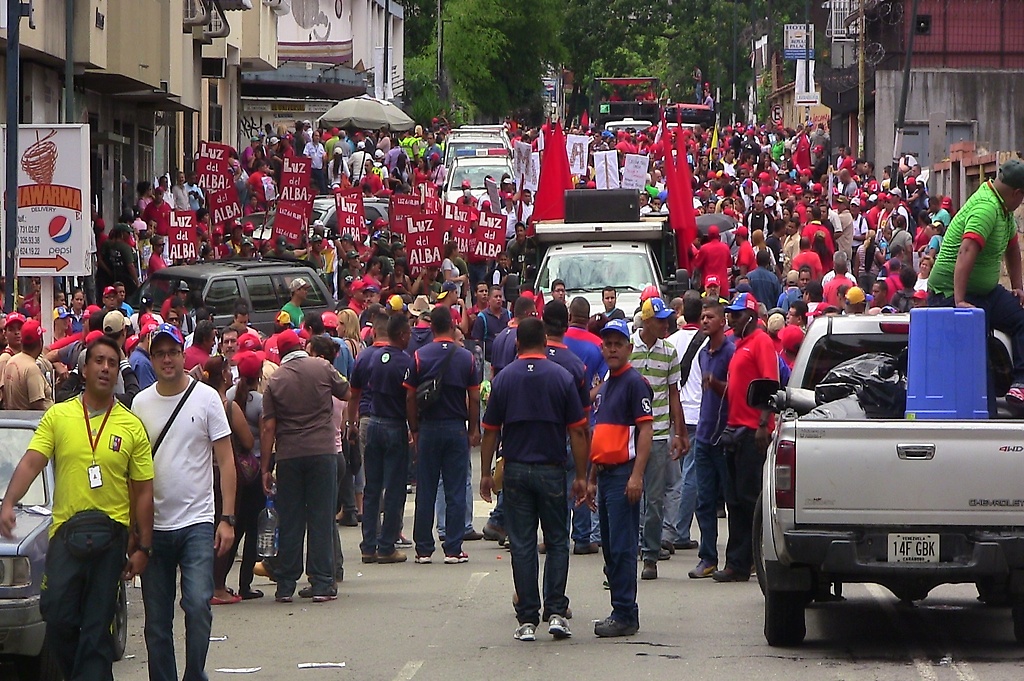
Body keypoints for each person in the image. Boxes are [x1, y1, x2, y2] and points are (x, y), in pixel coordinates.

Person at [0, 335, 154, 681]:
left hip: (111, 537)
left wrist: (143, 545)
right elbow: (32, 461)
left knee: (98, 627)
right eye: (99, 361)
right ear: (84, 369)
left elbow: (144, 491)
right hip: (65, 535)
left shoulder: (131, 425)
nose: (105, 368)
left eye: (112, 363)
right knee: (57, 615)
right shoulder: (58, 416)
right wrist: (8, 502)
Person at [132, 323, 236, 681]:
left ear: (183, 355)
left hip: (197, 522)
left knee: (197, 603)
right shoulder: (140, 403)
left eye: (173, 352)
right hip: (154, 526)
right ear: (152, 359)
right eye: (160, 354)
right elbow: (133, 469)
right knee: (157, 621)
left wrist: (227, 518)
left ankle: (194, 673)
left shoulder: (206, 399)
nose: (167, 360)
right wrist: (134, 528)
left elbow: (226, 461)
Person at [479, 317, 588, 642]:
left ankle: (527, 618)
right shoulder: (562, 377)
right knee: (557, 541)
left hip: (516, 470)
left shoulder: (504, 379)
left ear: (517, 344)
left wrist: (485, 473)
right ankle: (555, 612)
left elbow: (490, 431)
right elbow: (578, 430)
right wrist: (582, 475)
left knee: (522, 544)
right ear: (544, 341)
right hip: (552, 469)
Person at [261, 328, 350, 602]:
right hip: (322, 452)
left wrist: (265, 467)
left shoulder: (275, 380)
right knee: (321, 518)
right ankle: (322, 582)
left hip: (289, 455)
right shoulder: (322, 367)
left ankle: (285, 584)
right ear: (301, 346)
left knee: (291, 520)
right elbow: (346, 391)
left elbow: (268, 427)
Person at [927, 159, 1024, 403]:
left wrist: (1017, 287)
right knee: (976, 353)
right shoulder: (986, 208)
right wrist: (959, 300)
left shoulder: (1004, 210)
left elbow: (1013, 250)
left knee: (1021, 318)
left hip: (986, 292)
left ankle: (1020, 384)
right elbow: (966, 251)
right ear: (1016, 193)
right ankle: (983, 410)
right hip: (950, 291)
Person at [588, 318, 654, 637]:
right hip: (604, 475)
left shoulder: (634, 383)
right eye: (608, 344)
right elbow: (599, 435)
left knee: (623, 546)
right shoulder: (606, 385)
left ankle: (625, 612)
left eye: (618, 344)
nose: (612, 349)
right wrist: (591, 478)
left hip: (623, 475)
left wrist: (636, 475)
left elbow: (646, 430)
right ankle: (621, 608)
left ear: (629, 348)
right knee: (610, 547)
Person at [404, 306, 481, 564]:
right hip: (455, 427)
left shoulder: (419, 356)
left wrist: (414, 428)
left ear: (431, 328)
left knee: (426, 488)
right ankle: (453, 547)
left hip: (428, 428)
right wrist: (473, 429)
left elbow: (410, 396)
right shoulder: (466, 358)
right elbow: (473, 397)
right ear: (451, 325)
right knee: (455, 489)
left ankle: (423, 548)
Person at [715, 292, 778, 582]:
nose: (732, 318)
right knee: (736, 500)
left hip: (753, 431)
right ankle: (738, 561)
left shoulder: (761, 341)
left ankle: (749, 558)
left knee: (748, 498)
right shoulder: (741, 343)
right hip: (736, 430)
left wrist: (763, 423)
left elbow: (770, 384)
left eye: (737, 314)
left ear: (751, 317)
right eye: (730, 313)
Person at [630, 297, 685, 581]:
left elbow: (674, 393)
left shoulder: (669, 352)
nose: (666, 325)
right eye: (660, 320)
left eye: (667, 320)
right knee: (628, 498)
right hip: (630, 435)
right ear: (647, 321)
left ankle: (650, 555)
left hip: (660, 433)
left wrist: (680, 432)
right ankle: (626, 556)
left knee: (654, 500)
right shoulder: (629, 347)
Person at [359, 314, 414, 563]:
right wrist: (414, 427)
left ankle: (368, 545)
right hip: (394, 424)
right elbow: (410, 397)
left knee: (372, 487)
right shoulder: (406, 361)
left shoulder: (372, 358)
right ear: (401, 335)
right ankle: (386, 546)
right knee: (393, 488)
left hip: (374, 422)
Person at [687, 299, 736, 579]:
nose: (704, 321)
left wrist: (717, 384)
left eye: (710, 317)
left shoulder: (731, 352)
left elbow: (737, 390)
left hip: (726, 437)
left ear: (722, 322)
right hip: (704, 435)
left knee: (733, 500)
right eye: (703, 316)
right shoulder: (703, 353)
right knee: (703, 500)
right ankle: (708, 558)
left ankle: (738, 558)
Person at [663, 293, 706, 553]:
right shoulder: (706, 342)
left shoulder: (670, 342)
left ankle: (668, 528)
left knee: (672, 476)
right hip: (697, 414)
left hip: (673, 413)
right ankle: (680, 530)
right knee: (690, 475)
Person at [224, 351, 267, 599]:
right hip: (254, 469)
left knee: (234, 526)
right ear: (259, 374)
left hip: (233, 468)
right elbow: (263, 434)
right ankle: (245, 584)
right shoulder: (260, 402)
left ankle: (220, 579)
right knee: (253, 530)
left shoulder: (228, 397)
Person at [2, 319, 54, 410]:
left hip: (13, 416)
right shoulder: (32, 369)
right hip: (29, 418)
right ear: (40, 341)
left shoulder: (12, 360)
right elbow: (38, 406)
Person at [471, 285, 511, 365]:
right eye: (496, 297)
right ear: (489, 299)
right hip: (489, 361)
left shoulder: (508, 315)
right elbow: (477, 342)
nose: (498, 299)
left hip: (506, 360)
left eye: (500, 296)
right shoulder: (482, 317)